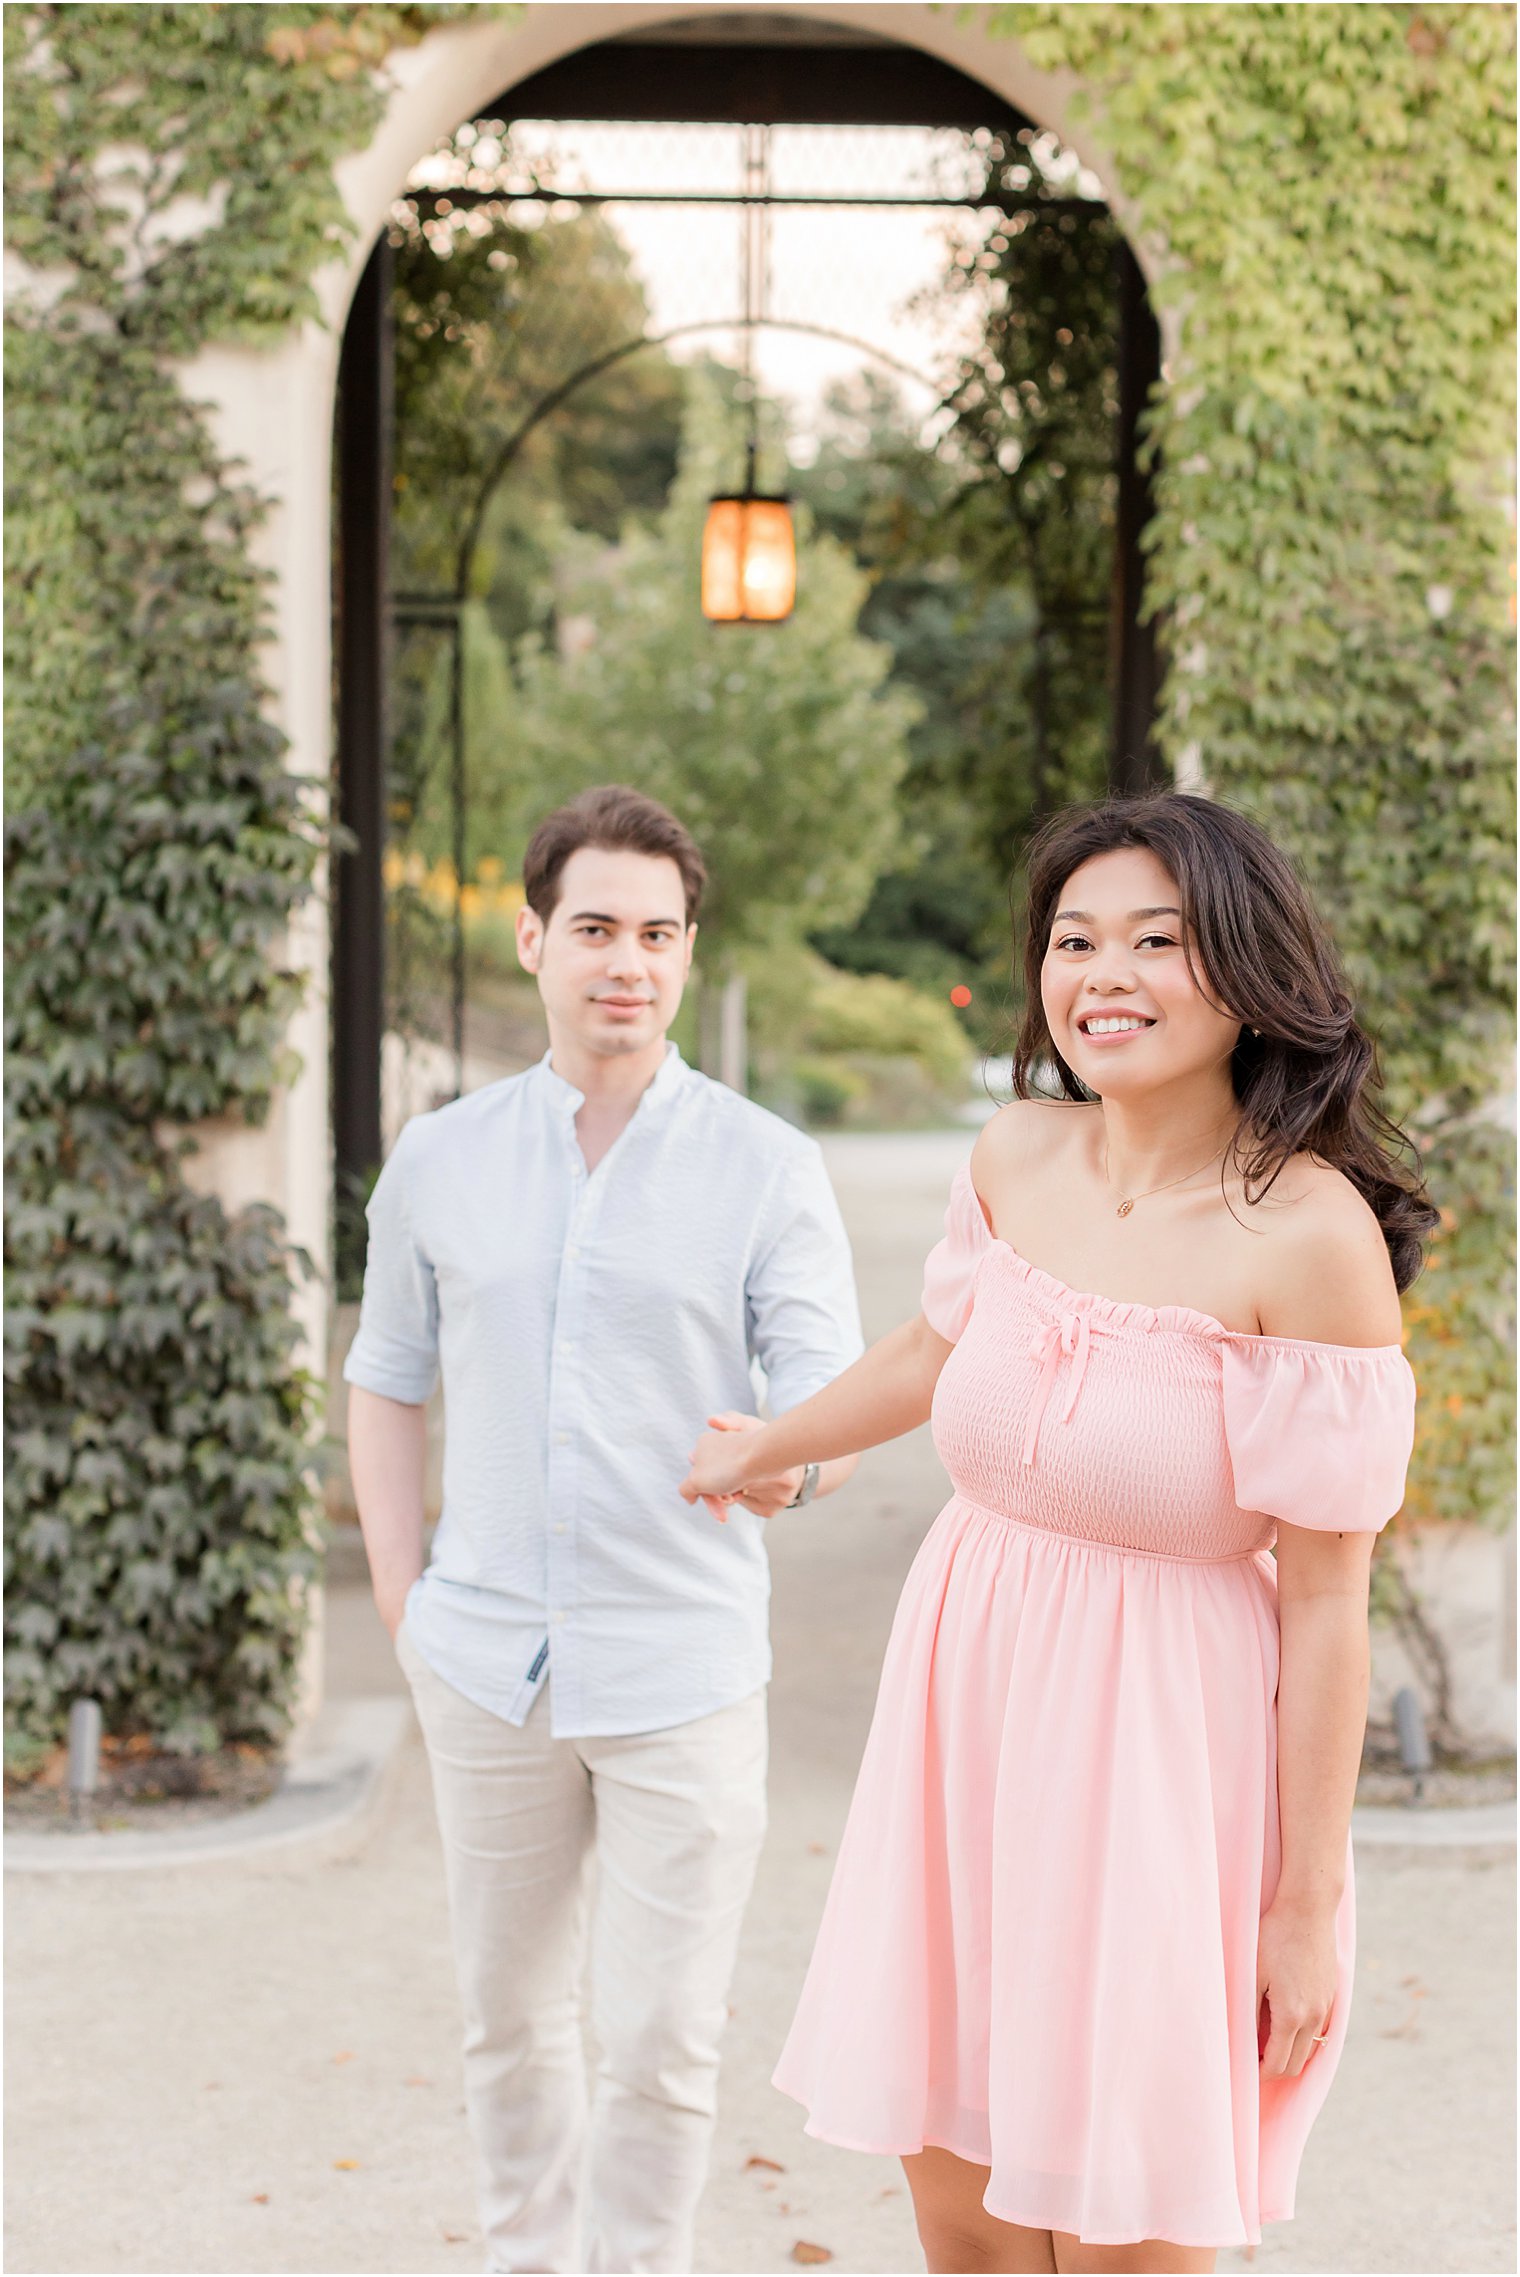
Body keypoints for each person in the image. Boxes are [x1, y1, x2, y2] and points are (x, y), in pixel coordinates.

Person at [682, 792, 1430, 2277]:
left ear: (1243, 967)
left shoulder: (1312, 1235)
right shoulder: (1015, 1154)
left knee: (1125, 2229)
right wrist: (775, 1439)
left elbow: (1330, 1602)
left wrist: (1305, 1899)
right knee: (959, 2203)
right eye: (1076, 939)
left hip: (1168, 1762)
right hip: (970, 1718)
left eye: (1158, 939)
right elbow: (933, 1346)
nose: (1108, 973)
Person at [345, 784, 863, 2276]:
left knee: (660, 2033)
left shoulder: (766, 1164)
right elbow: (384, 1382)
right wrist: (403, 1598)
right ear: (532, 939)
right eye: (593, 928)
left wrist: (788, 1468)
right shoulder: (440, 1158)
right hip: (485, 1663)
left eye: (655, 931)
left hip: (683, 1668)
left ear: (689, 951)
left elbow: (818, 1398)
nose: (623, 959)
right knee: (507, 2019)